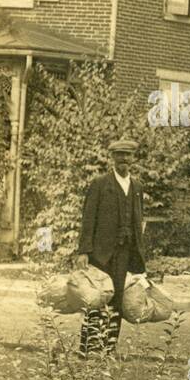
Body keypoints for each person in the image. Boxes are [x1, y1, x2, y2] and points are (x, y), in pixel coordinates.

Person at [75, 139, 147, 356]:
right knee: (98, 297)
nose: (124, 159)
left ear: (133, 158)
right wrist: (84, 251)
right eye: (119, 155)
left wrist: (140, 255)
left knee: (117, 299)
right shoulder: (100, 184)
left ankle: (109, 347)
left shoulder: (137, 187)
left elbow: (138, 221)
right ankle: (87, 347)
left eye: (128, 155)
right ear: (112, 158)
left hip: (125, 253)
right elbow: (88, 218)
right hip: (101, 252)